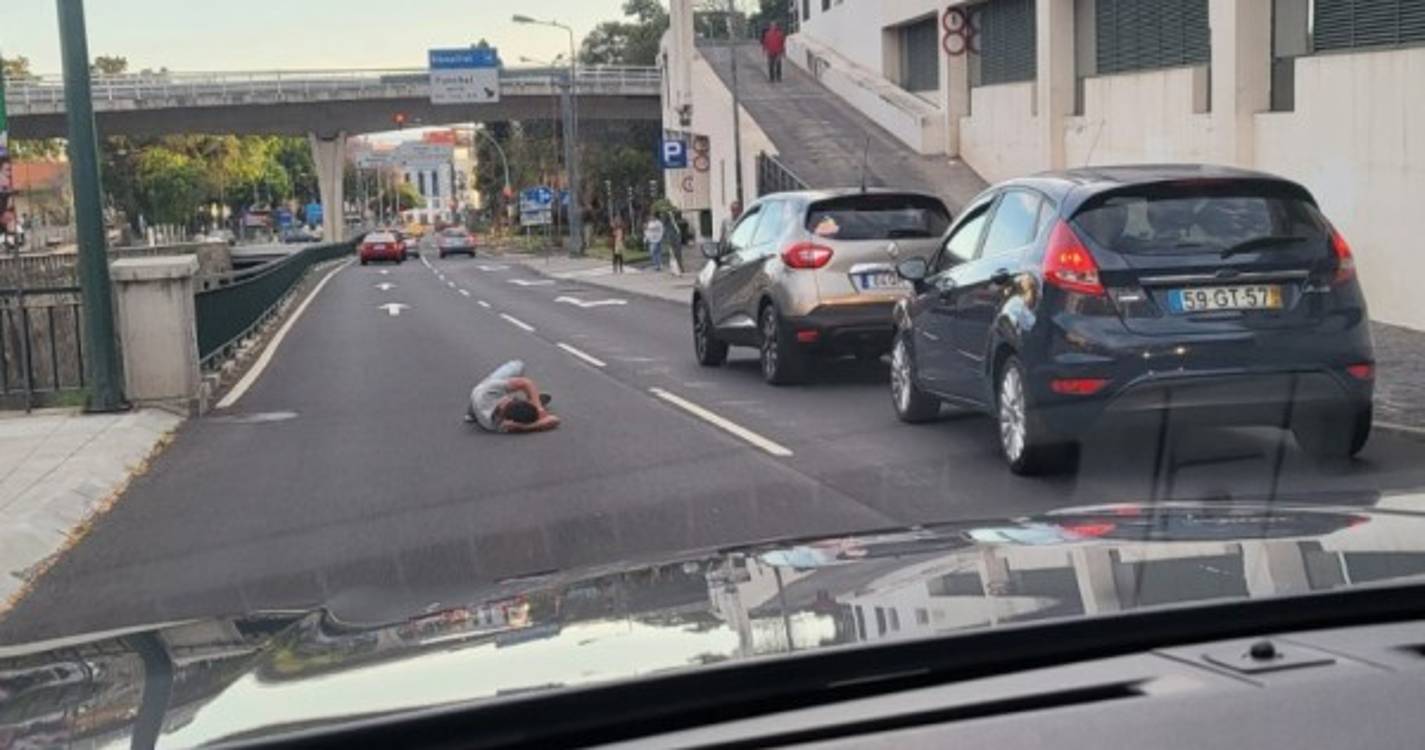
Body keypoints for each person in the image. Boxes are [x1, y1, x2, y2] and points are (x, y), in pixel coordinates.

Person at [466, 360, 561, 434]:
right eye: (513, 399)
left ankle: (471, 413)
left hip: (484, 390)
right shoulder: (499, 424)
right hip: (481, 394)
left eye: (512, 400)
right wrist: (525, 427)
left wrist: (538, 408)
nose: (509, 398)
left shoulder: (497, 424)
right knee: (518, 365)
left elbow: (525, 382)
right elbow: (554, 420)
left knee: (518, 365)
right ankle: (531, 401)